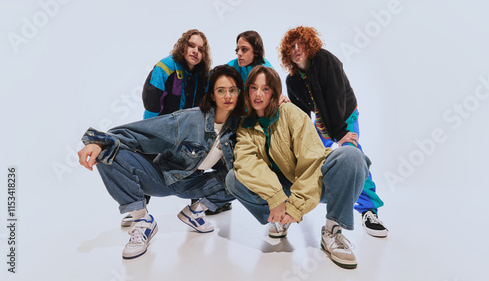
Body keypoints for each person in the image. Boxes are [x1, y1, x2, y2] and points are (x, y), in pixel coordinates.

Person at [77, 65, 245, 260]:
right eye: (221, 90)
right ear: (212, 95)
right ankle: (142, 221)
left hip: (195, 183)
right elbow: (138, 132)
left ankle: (195, 213)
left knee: (242, 178)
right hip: (163, 179)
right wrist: (99, 142)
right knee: (108, 152)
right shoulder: (190, 120)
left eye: (233, 90)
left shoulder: (236, 126)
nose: (228, 96)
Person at [225, 66, 370, 269]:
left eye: (265, 89)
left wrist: (297, 207)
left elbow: (312, 161)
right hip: (284, 189)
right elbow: (247, 164)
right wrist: (276, 198)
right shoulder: (245, 126)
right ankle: (279, 219)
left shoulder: (290, 113)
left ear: (275, 92)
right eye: (253, 88)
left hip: (319, 181)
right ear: (247, 90)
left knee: (352, 156)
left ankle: (332, 231)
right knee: (233, 178)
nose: (258, 94)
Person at [278, 26, 388, 237]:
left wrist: (340, 135)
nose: (297, 49)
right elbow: (301, 116)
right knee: (303, 161)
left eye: (301, 44)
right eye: (291, 47)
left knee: (355, 159)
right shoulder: (292, 80)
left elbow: (335, 99)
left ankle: (368, 211)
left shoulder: (326, 61)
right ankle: (292, 209)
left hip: (344, 118)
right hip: (321, 124)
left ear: (309, 45)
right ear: (287, 54)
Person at [138, 29, 231, 221]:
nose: (195, 51)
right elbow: (152, 102)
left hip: (188, 130)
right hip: (161, 127)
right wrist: (149, 134)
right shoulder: (165, 68)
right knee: (145, 162)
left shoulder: (204, 75)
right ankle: (139, 210)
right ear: (183, 46)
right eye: (191, 45)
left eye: (201, 49)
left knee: (199, 156)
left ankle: (198, 209)